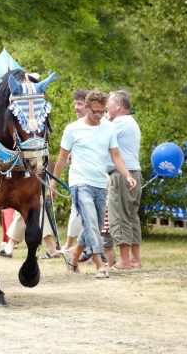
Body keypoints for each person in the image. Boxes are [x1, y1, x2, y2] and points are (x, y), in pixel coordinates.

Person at [51, 90, 137, 279]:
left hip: (100, 183)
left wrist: (127, 175)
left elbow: (115, 155)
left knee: (94, 226)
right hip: (79, 182)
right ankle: (100, 265)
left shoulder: (108, 128)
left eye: (101, 112)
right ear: (87, 107)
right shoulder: (72, 129)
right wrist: (54, 184)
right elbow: (62, 158)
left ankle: (74, 256)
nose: (98, 115)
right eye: (95, 111)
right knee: (89, 220)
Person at [106, 90, 143, 269]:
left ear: (118, 106)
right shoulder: (131, 122)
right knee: (131, 216)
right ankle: (135, 259)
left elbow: (100, 135)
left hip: (121, 175)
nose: (106, 106)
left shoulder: (118, 122)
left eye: (109, 103)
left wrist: (104, 118)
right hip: (135, 172)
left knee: (119, 216)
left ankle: (124, 260)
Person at [62, 89, 88, 251]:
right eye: (75, 104)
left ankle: (74, 245)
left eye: (79, 104)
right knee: (77, 210)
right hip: (77, 176)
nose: (76, 107)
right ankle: (72, 244)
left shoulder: (97, 125)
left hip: (92, 177)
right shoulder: (74, 127)